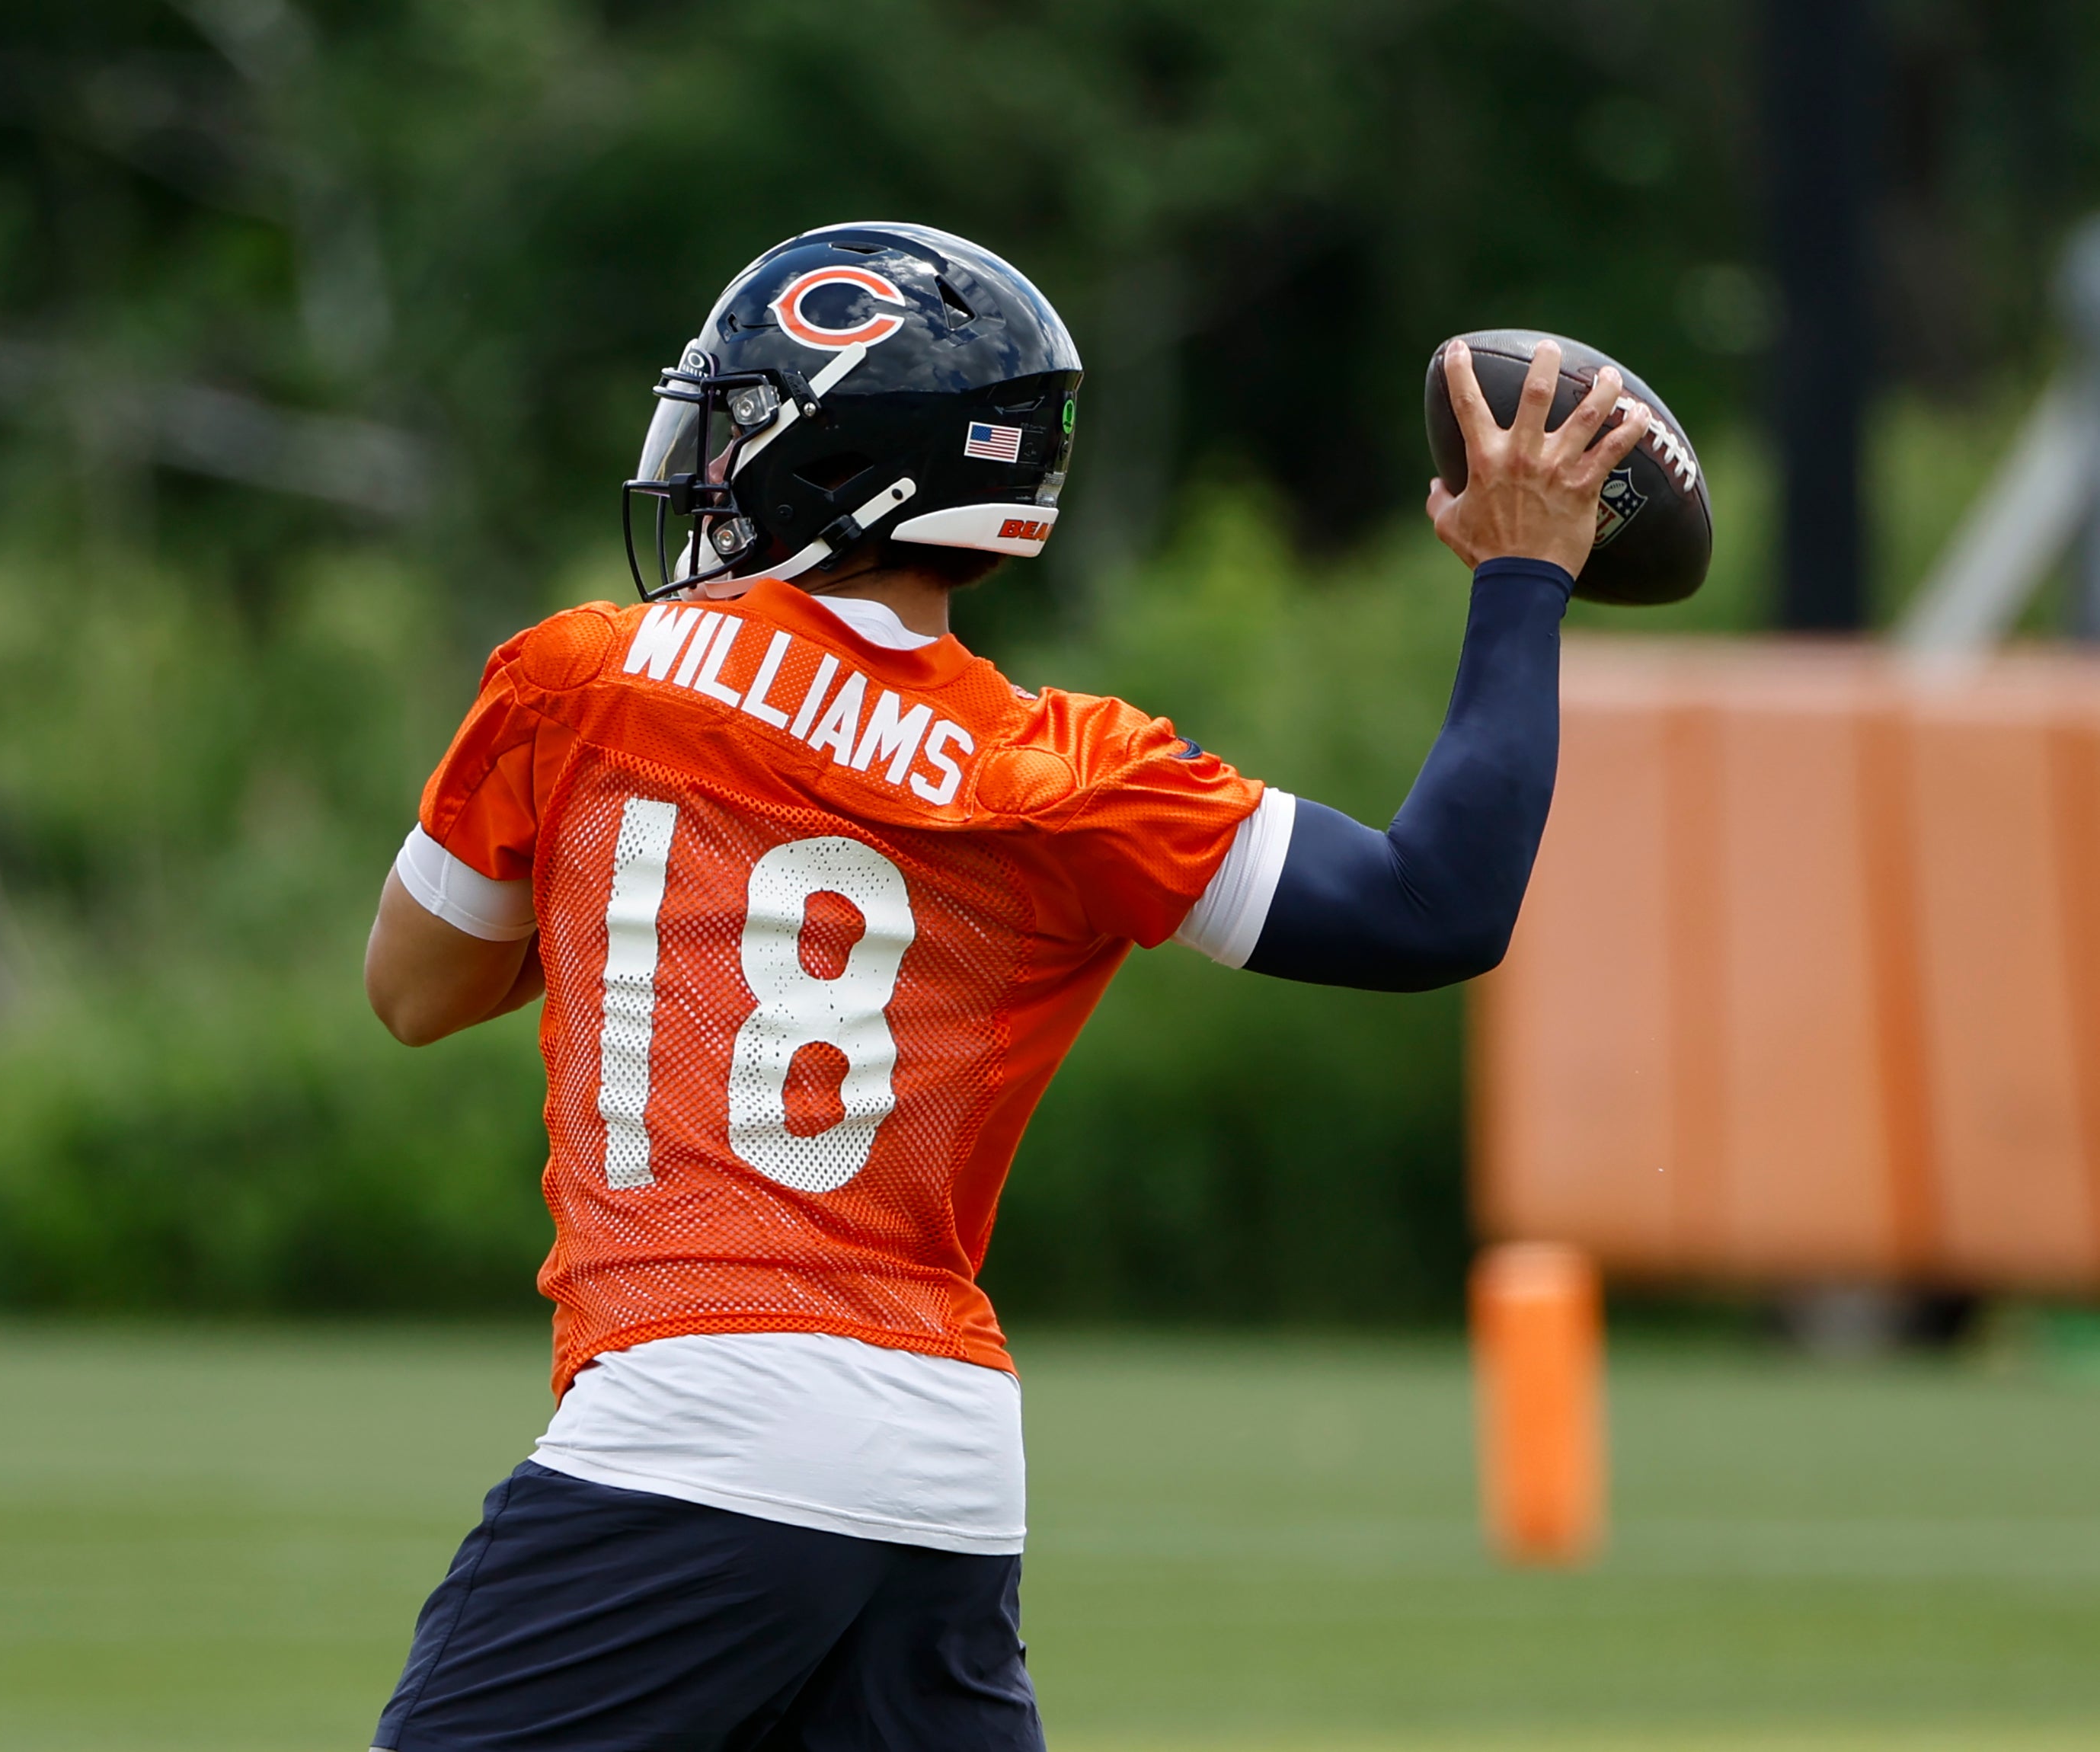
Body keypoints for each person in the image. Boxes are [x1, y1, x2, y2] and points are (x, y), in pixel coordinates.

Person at [361, 221, 1648, 1751]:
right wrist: (1520, 577)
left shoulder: (586, 675)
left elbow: (417, 985)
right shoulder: (1064, 769)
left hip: (692, 1404)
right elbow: (1432, 905)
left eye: (741, 427)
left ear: (830, 460)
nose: (705, 471)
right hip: (942, 1454)